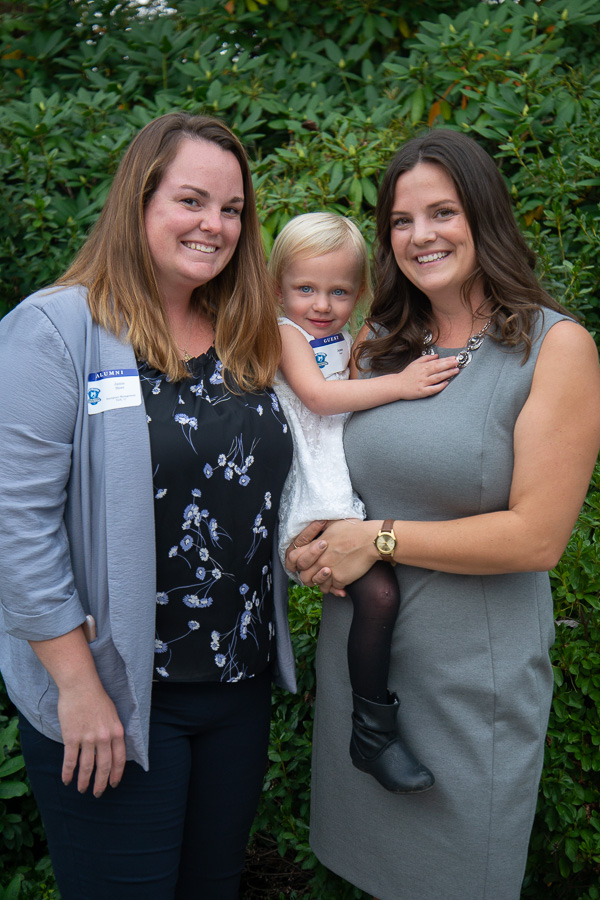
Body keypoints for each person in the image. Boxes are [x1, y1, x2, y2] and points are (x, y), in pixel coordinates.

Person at [287, 130, 600, 899]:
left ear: (483, 215)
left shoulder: (554, 351)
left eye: (443, 212)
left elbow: (538, 537)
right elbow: (329, 465)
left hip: (470, 684)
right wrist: (314, 541)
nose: (421, 235)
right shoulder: (382, 342)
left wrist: (377, 539)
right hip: (365, 669)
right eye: (401, 220)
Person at [0, 112, 296, 900]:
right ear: (139, 201)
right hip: (116, 695)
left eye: (232, 209)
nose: (216, 225)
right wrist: (77, 686)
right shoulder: (56, 329)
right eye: (192, 201)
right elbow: (15, 526)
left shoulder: (248, 333)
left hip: (237, 688)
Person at [271, 212, 458, 793]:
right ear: (278, 288)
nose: (321, 304)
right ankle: (372, 730)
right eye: (305, 288)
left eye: (339, 291)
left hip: (338, 489)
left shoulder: (347, 340)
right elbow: (321, 399)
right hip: (308, 493)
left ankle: (372, 727)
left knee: (377, 594)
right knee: (378, 593)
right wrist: (402, 383)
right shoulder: (284, 333)